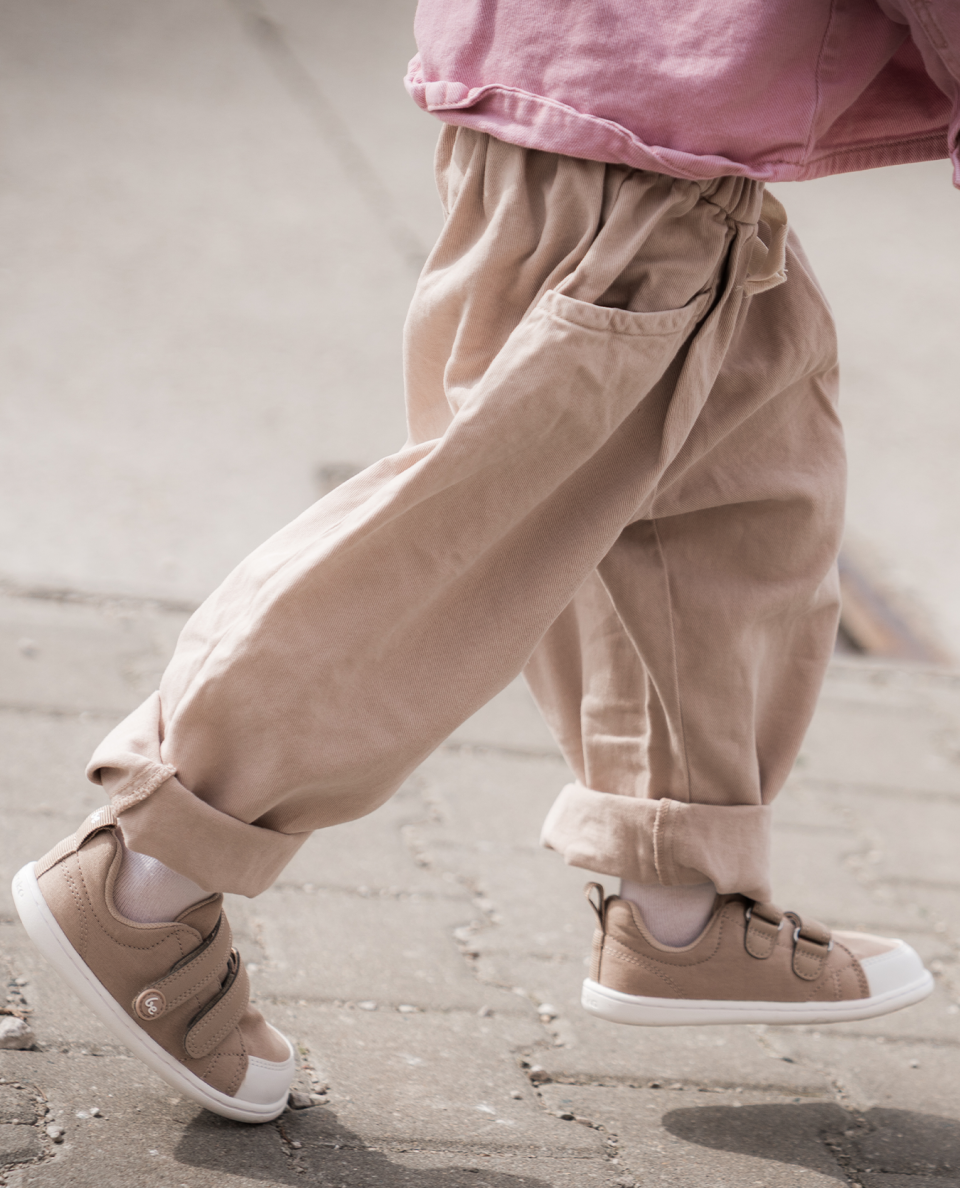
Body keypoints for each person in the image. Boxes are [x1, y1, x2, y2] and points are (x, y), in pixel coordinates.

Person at [13, 0, 957, 1123]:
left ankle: (679, 899)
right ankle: (149, 870)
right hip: (633, 145)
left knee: (744, 501)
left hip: (653, 119)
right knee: (470, 544)